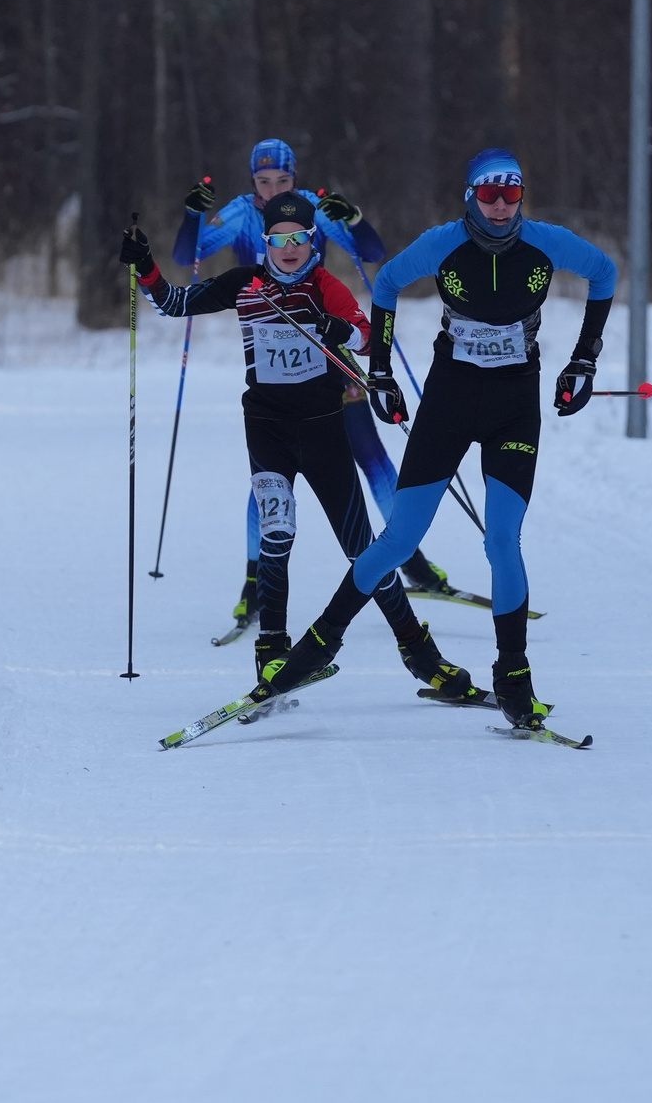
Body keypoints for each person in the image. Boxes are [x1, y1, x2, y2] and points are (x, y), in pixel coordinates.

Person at [249, 149, 616, 730]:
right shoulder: (443, 242)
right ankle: (314, 651)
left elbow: (604, 274)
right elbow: (389, 282)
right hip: (449, 400)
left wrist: (584, 363)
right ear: (469, 196)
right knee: (398, 541)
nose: (500, 206)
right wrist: (383, 374)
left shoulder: (546, 241)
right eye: (488, 195)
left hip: (514, 407)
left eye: (511, 194)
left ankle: (514, 677)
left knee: (502, 541)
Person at [120, 193, 481, 697]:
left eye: (299, 238)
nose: (289, 248)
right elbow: (175, 304)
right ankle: (271, 655)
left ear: (312, 239)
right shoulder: (245, 283)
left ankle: (420, 655)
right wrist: (145, 268)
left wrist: (342, 331)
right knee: (277, 530)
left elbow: (369, 338)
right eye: (279, 239)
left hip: (323, 429)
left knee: (363, 552)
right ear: (265, 240)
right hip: (266, 428)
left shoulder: (323, 286)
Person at [171, 137, 468, 635]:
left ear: (295, 178)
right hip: (272, 360)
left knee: (371, 454)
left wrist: (353, 219)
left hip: (329, 346)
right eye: (263, 182)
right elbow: (187, 256)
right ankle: (255, 581)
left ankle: (409, 557)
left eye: (281, 181)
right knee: (270, 474)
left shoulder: (312, 210)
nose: (272, 191)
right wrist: (191, 216)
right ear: (252, 183)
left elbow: (372, 252)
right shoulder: (244, 214)